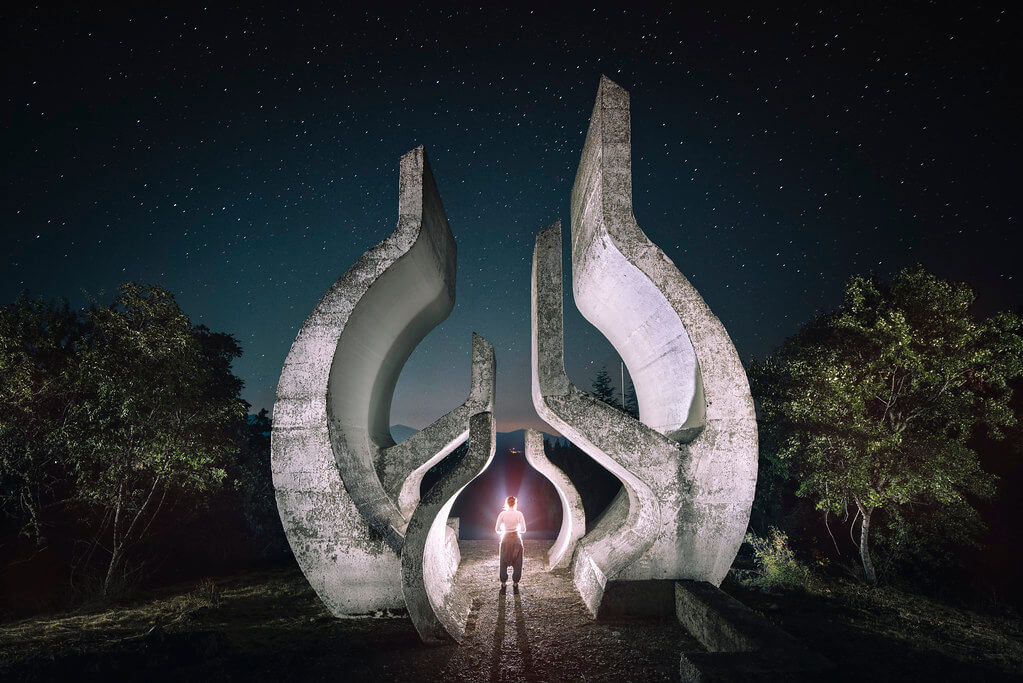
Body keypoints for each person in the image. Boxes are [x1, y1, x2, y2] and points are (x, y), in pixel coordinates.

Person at [495, 495, 526, 593]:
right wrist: (516, 530)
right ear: (515, 503)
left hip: (505, 538)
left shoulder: (502, 514)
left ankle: (503, 584)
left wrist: (504, 531)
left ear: (506, 504)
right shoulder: (519, 514)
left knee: (503, 562)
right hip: (516, 539)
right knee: (518, 562)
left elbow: (497, 529)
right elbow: (524, 529)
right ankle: (515, 584)